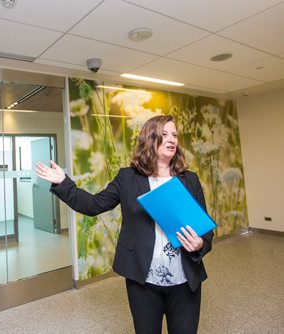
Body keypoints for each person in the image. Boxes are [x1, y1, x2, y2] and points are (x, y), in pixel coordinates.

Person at [35, 115, 213, 334]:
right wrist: (63, 182)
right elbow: (93, 205)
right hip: (143, 283)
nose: (172, 139)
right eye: (164, 134)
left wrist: (199, 245)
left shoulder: (190, 180)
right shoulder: (128, 178)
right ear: (150, 138)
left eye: (175, 135)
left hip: (186, 282)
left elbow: (206, 231)